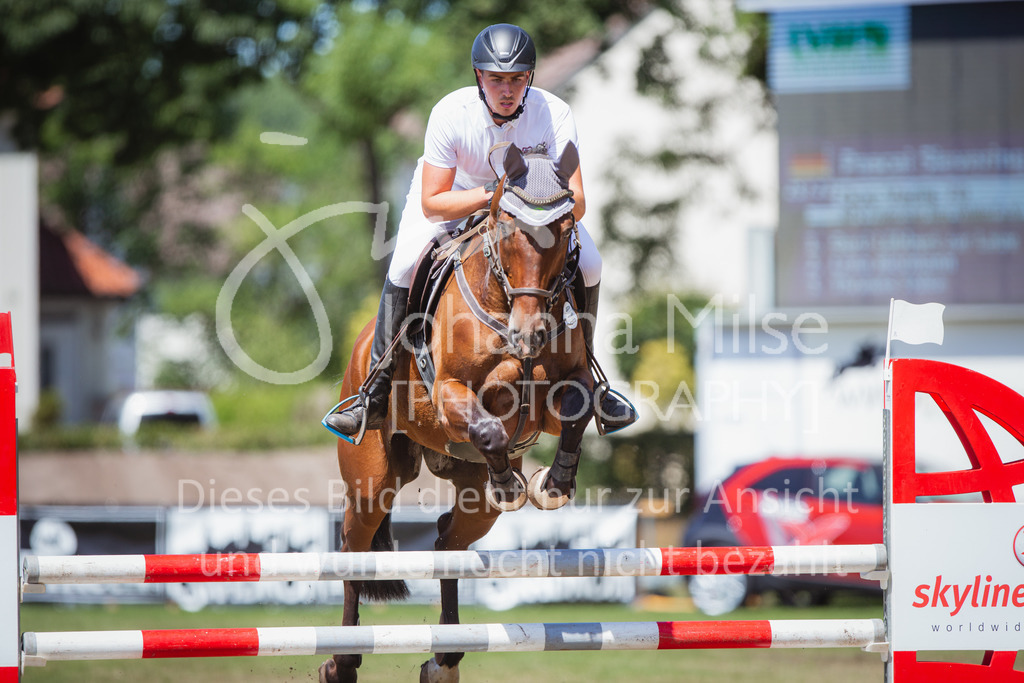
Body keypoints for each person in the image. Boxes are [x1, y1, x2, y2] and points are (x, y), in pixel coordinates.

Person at [325, 23, 635, 437]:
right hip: (456, 195)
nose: (506, 90)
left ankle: (590, 374)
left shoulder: (553, 113)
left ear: (529, 78)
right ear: (479, 77)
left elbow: (576, 200)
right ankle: (374, 391)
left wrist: (527, 201)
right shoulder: (450, 114)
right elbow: (433, 202)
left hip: (531, 207)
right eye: (496, 79)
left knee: (592, 264)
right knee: (402, 266)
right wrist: (495, 194)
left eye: (516, 79)